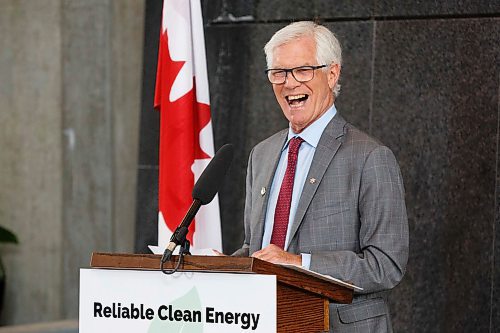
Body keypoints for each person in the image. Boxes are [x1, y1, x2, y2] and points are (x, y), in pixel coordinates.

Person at [232, 21, 409, 332]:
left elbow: (386, 265)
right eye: (279, 73)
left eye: (302, 70)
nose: (289, 83)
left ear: (332, 74)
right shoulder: (261, 154)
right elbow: (258, 249)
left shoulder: (370, 157)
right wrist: (221, 267)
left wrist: (300, 264)